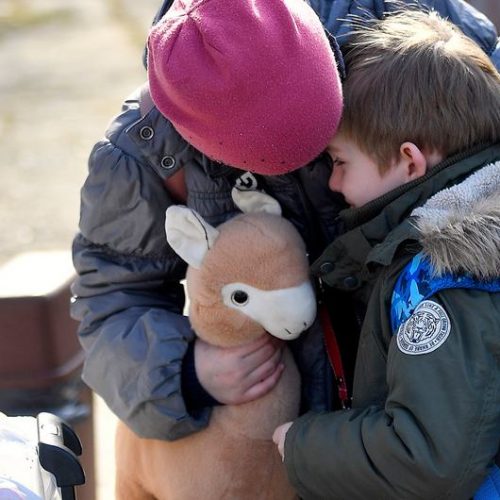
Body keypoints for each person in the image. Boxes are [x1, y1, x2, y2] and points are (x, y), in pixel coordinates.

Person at [70, 0, 499, 457]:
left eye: (329, 152)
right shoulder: (146, 148)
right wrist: (186, 372)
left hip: (430, 412)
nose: (329, 180)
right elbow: (110, 299)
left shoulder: (412, 30)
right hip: (284, 440)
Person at [272, 10, 500, 499]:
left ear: (409, 161)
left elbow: (427, 457)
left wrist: (301, 445)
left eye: (340, 161)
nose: (334, 183)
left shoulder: (446, 278)